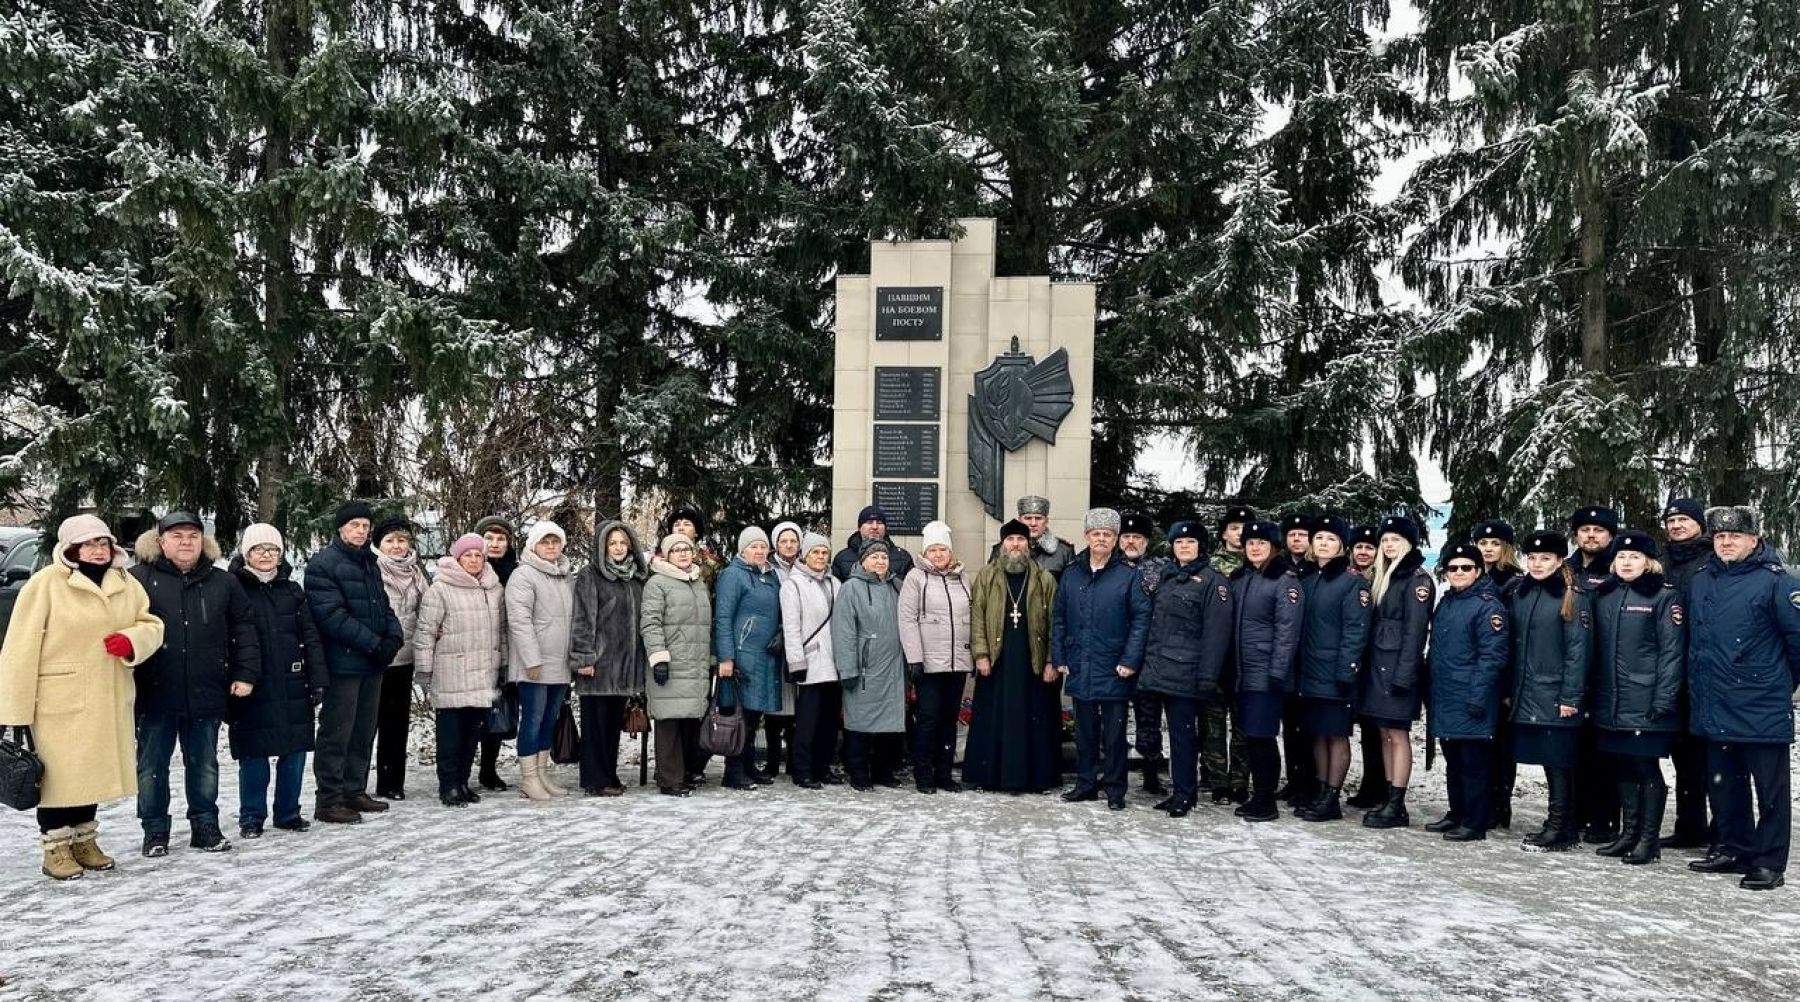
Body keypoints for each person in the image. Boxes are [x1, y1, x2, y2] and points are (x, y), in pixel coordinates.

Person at [0, 515, 163, 880]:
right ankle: (55, 847)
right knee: (59, 780)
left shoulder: (125, 582)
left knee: (92, 774)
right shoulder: (46, 584)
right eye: (89, 544)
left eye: (103, 543)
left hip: (108, 695)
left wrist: (131, 641)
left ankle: (85, 840)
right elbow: (20, 648)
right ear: (71, 548)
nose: (98, 550)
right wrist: (14, 708)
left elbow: (151, 624)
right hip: (58, 698)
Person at [130, 511, 261, 856]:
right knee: (151, 766)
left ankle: (204, 825)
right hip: (154, 690)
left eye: (193, 536)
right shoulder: (137, 580)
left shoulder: (223, 582)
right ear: (161, 542)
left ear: (203, 541)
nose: (186, 542)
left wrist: (245, 673)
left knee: (204, 764)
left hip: (207, 688)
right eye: (177, 536)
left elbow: (244, 630)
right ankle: (154, 829)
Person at [1684, 506, 1800, 891]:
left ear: (1754, 540)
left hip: (1760, 704)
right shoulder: (1702, 580)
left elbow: (1797, 643)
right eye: (1720, 536)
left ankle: (1769, 862)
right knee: (1724, 784)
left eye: (1735, 536)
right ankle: (1734, 848)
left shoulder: (1777, 582)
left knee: (1771, 792)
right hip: (1714, 702)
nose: (1726, 542)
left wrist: (1775, 684)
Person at [305, 501, 405, 825]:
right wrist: (374, 644)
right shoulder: (323, 564)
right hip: (343, 664)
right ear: (340, 528)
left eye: (365, 525)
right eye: (354, 525)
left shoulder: (369, 563)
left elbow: (383, 606)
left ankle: (353, 789)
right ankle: (329, 799)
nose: (361, 531)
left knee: (363, 730)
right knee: (337, 732)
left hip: (371, 665)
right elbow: (331, 616)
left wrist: (394, 637)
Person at [1590, 529, 1686, 866]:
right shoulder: (1605, 594)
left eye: (1635, 556)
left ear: (1649, 562)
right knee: (1622, 766)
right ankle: (1629, 834)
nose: (1627, 562)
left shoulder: (1664, 597)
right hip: (1611, 701)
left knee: (1646, 769)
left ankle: (1649, 839)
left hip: (1646, 700)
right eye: (1621, 556)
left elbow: (1672, 653)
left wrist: (1664, 699)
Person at [228, 524, 328, 840]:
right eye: (258, 549)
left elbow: (310, 637)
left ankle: (288, 813)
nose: (266, 555)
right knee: (254, 755)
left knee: (294, 751)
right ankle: (251, 816)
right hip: (253, 685)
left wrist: (317, 679)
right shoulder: (233, 589)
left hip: (293, 681)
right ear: (246, 554)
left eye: (273, 550)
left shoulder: (292, 590)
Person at [1053, 509, 1152, 812]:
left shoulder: (1129, 575)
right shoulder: (1072, 573)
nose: (1101, 539)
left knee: (1114, 734)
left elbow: (1141, 620)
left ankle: (1115, 789)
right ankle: (1085, 784)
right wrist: (1059, 656)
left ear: (1115, 539)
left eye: (1107, 534)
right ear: (1087, 536)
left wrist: (1130, 659)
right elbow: (1059, 618)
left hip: (1114, 667)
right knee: (1085, 733)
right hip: (1080, 664)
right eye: (1096, 533)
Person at [1138, 520, 1233, 817]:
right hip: (1160, 670)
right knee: (1174, 737)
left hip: (1187, 673)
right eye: (1179, 542)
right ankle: (1180, 790)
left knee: (1184, 737)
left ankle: (1185, 794)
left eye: (1190, 542)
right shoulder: (1167, 577)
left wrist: (1208, 675)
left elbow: (1217, 633)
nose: (1184, 547)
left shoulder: (1213, 582)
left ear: (1200, 546)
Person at [1506, 530, 1591, 853]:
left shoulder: (1572, 596)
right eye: (1532, 558)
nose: (1537, 564)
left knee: (1559, 762)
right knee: (1549, 761)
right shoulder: (1521, 593)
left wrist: (1570, 696)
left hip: (1556, 694)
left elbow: (1577, 652)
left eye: (1545, 558)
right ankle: (1560, 823)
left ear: (1559, 561)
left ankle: (1559, 827)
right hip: (1528, 692)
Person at [963, 521, 1062, 794]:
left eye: (1020, 539)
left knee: (1034, 717)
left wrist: (1051, 660)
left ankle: (1036, 778)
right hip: (997, 660)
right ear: (1002, 544)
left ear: (1028, 544)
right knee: (994, 717)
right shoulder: (987, 576)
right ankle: (989, 776)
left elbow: (1055, 622)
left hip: (1033, 662)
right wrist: (981, 654)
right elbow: (977, 617)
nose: (1015, 544)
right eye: (1010, 540)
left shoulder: (1044, 578)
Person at [1424, 543, 1509, 842]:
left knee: (1474, 764)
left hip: (1472, 697)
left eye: (1466, 567)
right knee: (1454, 761)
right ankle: (1458, 812)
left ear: (1478, 571)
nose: (1458, 572)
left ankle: (1475, 821)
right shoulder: (1447, 602)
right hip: (1446, 695)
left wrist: (1478, 696)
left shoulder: (1488, 606)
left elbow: (1492, 657)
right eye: (1453, 568)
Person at [415, 534, 507, 807]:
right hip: (451, 670)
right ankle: (449, 785)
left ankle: (463, 782)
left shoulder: (493, 588)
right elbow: (425, 632)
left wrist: (504, 663)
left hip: (482, 672)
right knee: (451, 734)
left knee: (471, 733)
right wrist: (424, 670)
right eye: (468, 555)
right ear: (457, 558)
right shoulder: (441, 589)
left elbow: (502, 631)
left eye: (478, 555)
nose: (474, 560)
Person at [1293, 515, 1372, 822]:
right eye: (1319, 538)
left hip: (1336, 673)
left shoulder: (1352, 582)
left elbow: (1356, 631)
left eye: (1331, 539)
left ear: (1342, 545)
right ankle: (1321, 791)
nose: (1324, 543)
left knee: (1336, 735)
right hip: (1310, 671)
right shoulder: (1309, 579)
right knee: (1318, 734)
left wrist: (1347, 670)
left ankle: (1332, 797)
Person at [1358, 515, 1433, 829]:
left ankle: (1397, 803)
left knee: (1398, 735)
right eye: (1385, 540)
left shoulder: (1417, 579)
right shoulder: (1384, 575)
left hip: (1398, 669)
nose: (1388, 545)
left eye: (1395, 540)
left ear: (1408, 543)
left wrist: (1404, 675)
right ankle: (1389, 797)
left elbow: (1415, 633)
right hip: (1378, 666)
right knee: (1385, 734)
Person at [1229, 520, 1303, 822]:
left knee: (1262, 737)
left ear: (1273, 546)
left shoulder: (1284, 581)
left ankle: (1265, 800)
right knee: (1251, 736)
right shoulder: (1242, 578)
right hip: (1243, 672)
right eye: (1250, 543)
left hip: (1267, 673)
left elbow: (1288, 630)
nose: (1255, 548)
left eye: (1262, 543)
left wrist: (1278, 671)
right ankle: (1258, 795)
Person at [569, 519, 649, 797]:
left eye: (623, 543)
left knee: (613, 724)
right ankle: (595, 779)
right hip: (599, 664)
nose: (618, 547)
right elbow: (582, 619)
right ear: (603, 546)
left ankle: (609, 773)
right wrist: (584, 658)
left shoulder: (636, 578)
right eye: (612, 543)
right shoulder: (590, 575)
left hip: (625, 665)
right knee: (596, 725)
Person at [899, 520, 973, 794]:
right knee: (928, 719)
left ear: (950, 551)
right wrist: (914, 658)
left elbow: (971, 618)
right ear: (925, 552)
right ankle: (923, 773)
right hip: (928, 664)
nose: (938, 554)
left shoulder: (962, 578)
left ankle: (944, 772)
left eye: (943, 549)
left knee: (949, 719)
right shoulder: (915, 578)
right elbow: (907, 619)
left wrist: (972, 655)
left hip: (957, 662)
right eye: (933, 550)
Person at [507, 521, 576, 800]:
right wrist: (531, 659)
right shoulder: (524, 575)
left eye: (555, 541)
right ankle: (529, 778)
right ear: (533, 545)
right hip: (534, 664)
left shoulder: (565, 576)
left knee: (550, 720)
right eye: (545, 542)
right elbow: (519, 620)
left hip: (560, 662)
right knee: (533, 720)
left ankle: (542, 773)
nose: (550, 547)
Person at [640, 534, 713, 796]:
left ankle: (683, 773)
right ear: (666, 555)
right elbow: (650, 623)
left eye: (687, 549)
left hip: (695, 663)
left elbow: (705, 625)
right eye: (676, 550)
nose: (683, 553)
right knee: (669, 720)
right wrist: (659, 657)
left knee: (688, 721)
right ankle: (669, 779)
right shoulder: (657, 583)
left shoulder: (698, 582)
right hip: (670, 663)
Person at [1658, 497, 1711, 850]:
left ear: (1699, 525)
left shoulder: (1711, 560)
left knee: (1712, 757)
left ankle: (1723, 830)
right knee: (1684, 756)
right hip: (1669, 669)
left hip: (1703, 668)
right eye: (1671, 521)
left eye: (1683, 520)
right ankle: (1690, 826)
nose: (1676, 525)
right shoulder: (1661, 562)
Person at [714, 526, 784, 790]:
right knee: (739, 716)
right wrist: (726, 657)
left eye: (763, 546)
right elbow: (723, 618)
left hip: (765, 656)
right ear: (742, 550)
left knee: (754, 715)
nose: (759, 551)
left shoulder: (770, 576)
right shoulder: (733, 575)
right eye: (753, 546)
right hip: (742, 656)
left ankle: (748, 765)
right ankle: (733, 771)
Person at [833, 538, 907, 789]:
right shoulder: (851, 588)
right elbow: (844, 632)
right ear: (863, 561)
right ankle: (858, 772)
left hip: (893, 666)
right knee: (860, 722)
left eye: (884, 557)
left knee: (889, 723)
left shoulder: (896, 586)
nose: (880, 561)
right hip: (865, 666)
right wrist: (848, 668)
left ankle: (883, 771)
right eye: (874, 557)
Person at [1568, 505, 1622, 844]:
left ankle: (1604, 820)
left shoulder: (1618, 568)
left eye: (1598, 530)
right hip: (1574, 671)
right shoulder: (1566, 569)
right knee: (1574, 749)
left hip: (1607, 671)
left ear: (1610, 535)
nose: (1591, 535)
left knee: (1605, 753)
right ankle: (1576, 814)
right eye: (1585, 529)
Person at [372, 515, 429, 800]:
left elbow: (427, 611)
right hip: (375, 658)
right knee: (367, 725)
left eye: (402, 540)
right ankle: (353, 784)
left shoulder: (417, 572)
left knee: (396, 724)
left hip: (405, 658)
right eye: (390, 540)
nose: (396, 546)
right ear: (379, 544)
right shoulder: (371, 570)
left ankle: (392, 782)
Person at [780, 532, 842, 789]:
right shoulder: (792, 585)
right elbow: (791, 627)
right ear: (805, 555)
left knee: (829, 721)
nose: (820, 556)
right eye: (815, 552)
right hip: (811, 661)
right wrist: (796, 662)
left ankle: (822, 767)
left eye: (824, 552)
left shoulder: (835, 583)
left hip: (834, 662)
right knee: (807, 721)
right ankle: (803, 770)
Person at [1472, 518, 1522, 828]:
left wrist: (1508, 686)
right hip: (1477, 674)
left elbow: (1513, 637)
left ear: (1506, 548)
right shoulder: (1472, 577)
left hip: (1502, 674)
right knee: (1481, 743)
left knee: (1502, 746)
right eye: (1482, 543)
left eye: (1495, 544)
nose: (1488, 549)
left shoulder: (1514, 583)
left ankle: (1500, 804)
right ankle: (1481, 802)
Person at [1205, 504, 1255, 804]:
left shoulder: (1258, 564)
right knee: (1212, 724)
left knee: (1243, 724)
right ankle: (1216, 780)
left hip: (1246, 657)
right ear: (1224, 533)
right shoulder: (1209, 566)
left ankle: (1239, 780)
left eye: (1245, 528)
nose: (1240, 533)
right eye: (1234, 528)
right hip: (1216, 656)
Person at [1118, 511, 1167, 797]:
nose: (1131, 542)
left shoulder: (1161, 569)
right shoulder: (1109, 566)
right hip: (1115, 654)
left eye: (1137, 537)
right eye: (1126, 536)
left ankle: (1151, 772)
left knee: (1148, 717)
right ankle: (1112, 770)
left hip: (1149, 656)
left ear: (1146, 541)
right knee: (1113, 717)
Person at [472, 515, 519, 792]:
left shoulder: (516, 572)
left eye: (501, 539)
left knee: (498, 713)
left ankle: (488, 770)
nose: (495, 543)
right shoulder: (469, 568)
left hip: (507, 651)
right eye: (489, 538)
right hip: (475, 651)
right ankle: (461, 769)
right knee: (472, 714)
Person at [1344, 523, 1386, 809]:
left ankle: (1378, 786)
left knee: (1375, 730)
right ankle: (1370, 785)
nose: (1363, 552)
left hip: (1376, 663)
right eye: (1358, 546)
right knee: (1362, 730)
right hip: (1354, 662)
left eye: (1369, 547)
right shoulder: (1347, 577)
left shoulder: (1383, 579)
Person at [759, 520, 804, 779]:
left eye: (793, 541)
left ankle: (795, 761)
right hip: (775, 645)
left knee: (797, 710)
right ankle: (773, 762)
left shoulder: (805, 567)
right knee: (775, 708)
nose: (788, 545)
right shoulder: (768, 570)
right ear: (775, 544)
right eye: (783, 541)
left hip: (799, 644)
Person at [988, 495, 1076, 578]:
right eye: (1028, 518)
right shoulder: (1001, 550)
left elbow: (1071, 585)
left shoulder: (1063, 552)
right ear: (1019, 521)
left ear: (1046, 521)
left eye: (1038, 518)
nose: (1033, 523)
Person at [832, 506, 916, 583]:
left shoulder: (903, 557)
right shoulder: (842, 558)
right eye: (869, 522)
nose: (875, 527)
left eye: (879, 522)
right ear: (859, 527)